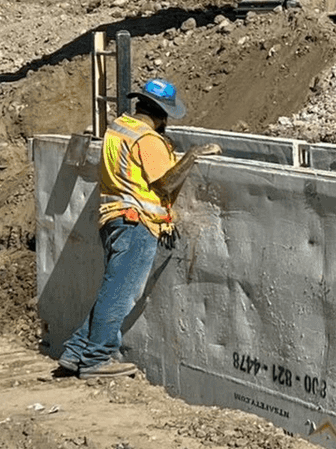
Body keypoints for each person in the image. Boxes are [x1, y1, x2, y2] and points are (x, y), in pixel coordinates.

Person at [57, 77, 219, 378]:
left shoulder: (119, 127)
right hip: (136, 223)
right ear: (161, 112)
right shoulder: (148, 140)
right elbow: (166, 182)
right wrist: (191, 156)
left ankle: (77, 350)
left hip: (114, 218)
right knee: (120, 293)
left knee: (112, 288)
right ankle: (95, 358)